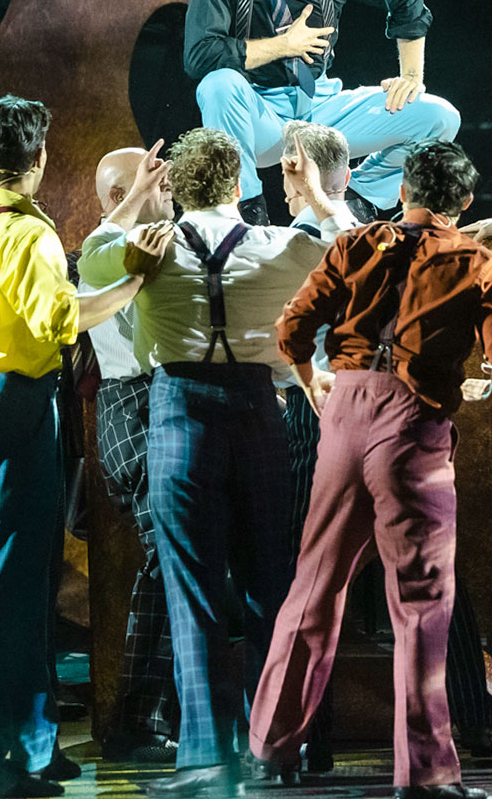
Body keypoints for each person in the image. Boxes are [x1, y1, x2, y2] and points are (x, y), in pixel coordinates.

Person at [249, 141, 492, 799]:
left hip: (344, 415)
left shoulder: (357, 245)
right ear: (463, 202)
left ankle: (268, 747)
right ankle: (426, 774)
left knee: (313, 586)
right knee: (422, 606)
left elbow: (291, 329)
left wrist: (310, 380)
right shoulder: (477, 260)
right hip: (414, 428)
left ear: (404, 191)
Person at [79, 127, 354, 796]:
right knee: (271, 588)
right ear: (237, 186)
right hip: (259, 413)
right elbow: (349, 251)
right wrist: (318, 194)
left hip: (179, 415)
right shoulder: (278, 246)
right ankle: (282, 747)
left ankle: (208, 760)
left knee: (195, 594)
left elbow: (90, 254)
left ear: (175, 186)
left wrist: (137, 196)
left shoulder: (147, 247)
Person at [0, 97, 170, 798]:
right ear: (41, 157)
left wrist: (133, 202)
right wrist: (137, 281)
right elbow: (66, 312)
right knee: (1, 587)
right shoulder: (31, 233)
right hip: (10, 404)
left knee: (21, 581)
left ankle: (31, 746)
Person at [184, 0, 460, 225]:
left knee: (441, 117)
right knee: (217, 84)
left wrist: (411, 75)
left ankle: (359, 200)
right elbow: (199, 56)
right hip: (259, 118)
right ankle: (245, 214)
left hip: (323, 107)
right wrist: (284, 45)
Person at [88, 146, 182, 763]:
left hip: (153, 400)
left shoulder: (158, 238)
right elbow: (101, 258)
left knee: (176, 558)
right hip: (133, 404)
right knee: (169, 558)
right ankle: (136, 719)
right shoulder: (106, 249)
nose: (167, 184)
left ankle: (154, 715)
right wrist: (132, 203)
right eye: (157, 178)